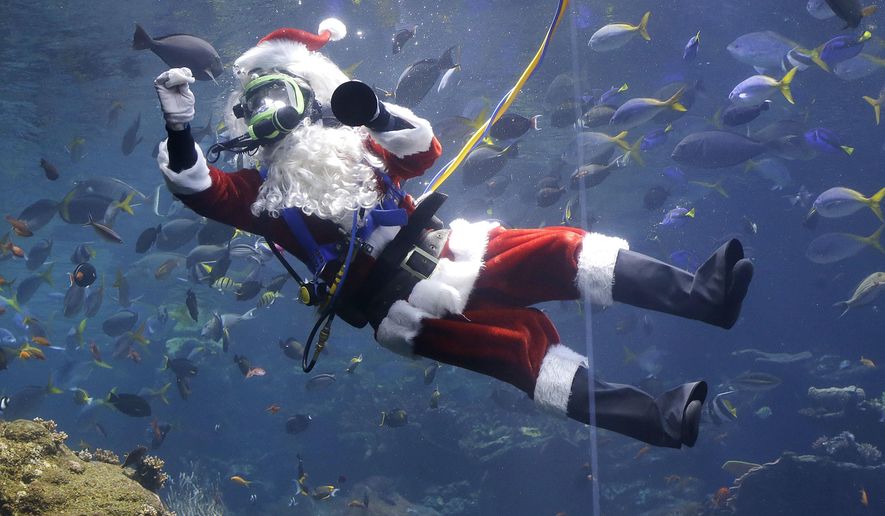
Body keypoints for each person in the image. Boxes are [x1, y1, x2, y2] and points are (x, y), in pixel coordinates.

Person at [153, 18, 753, 449]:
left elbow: (423, 152)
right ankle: (659, 419)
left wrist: (376, 114)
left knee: (564, 249)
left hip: (454, 249)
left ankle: (704, 296)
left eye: (282, 97)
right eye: (258, 108)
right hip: (404, 308)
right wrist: (179, 126)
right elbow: (199, 187)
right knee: (526, 351)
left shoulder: (353, 145)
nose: (273, 117)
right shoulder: (261, 198)